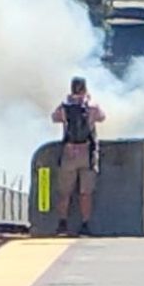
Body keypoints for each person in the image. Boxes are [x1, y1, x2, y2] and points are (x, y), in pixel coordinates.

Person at [51, 76, 106, 235]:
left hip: (69, 152)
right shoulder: (91, 106)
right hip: (87, 152)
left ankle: (62, 223)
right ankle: (85, 224)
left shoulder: (64, 106)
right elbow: (102, 117)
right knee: (85, 192)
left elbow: (54, 118)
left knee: (65, 191)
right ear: (85, 88)